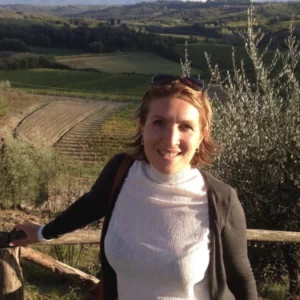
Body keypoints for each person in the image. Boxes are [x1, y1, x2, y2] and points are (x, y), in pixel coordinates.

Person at [10, 74, 258, 300]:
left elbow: (241, 279)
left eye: (185, 126)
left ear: (202, 134)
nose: (171, 140)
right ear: (142, 126)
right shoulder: (121, 172)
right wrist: (43, 232)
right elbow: (89, 206)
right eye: (159, 123)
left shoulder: (221, 200)